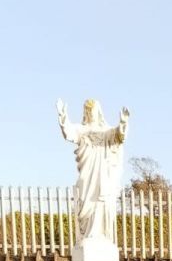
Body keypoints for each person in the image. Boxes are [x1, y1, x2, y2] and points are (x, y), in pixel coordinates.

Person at [56, 98, 130, 245]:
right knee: (85, 198)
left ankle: (101, 235)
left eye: (92, 110)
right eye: (87, 110)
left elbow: (119, 137)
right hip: (87, 171)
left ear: (98, 111)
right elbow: (69, 132)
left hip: (103, 172)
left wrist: (123, 123)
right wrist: (63, 116)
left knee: (101, 200)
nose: (90, 113)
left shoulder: (106, 131)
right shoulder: (82, 129)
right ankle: (87, 234)